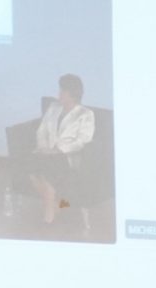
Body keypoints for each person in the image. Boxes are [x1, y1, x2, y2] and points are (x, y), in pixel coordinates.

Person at [18, 74, 95, 225]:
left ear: (72, 94)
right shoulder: (54, 107)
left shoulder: (85, 114)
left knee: (48, 167)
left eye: (62, 91)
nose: (59, 94)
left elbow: (83, 141)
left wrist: (58, 150)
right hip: (47, 152)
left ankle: (49, 215)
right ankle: (54, 205)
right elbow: (42, 131)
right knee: (28, 164)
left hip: (68, 156)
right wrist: (43, 148)